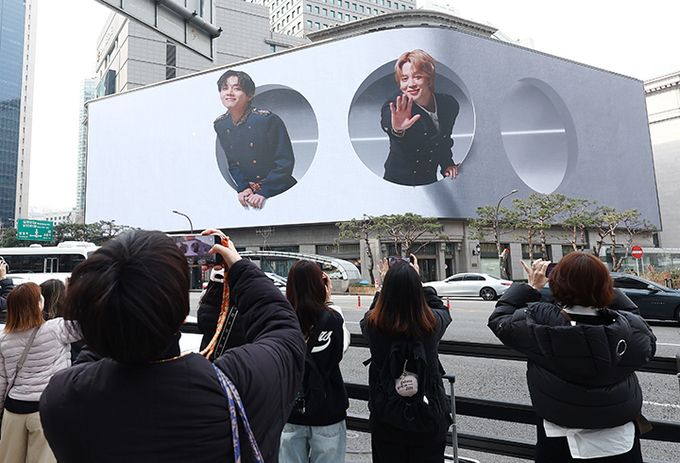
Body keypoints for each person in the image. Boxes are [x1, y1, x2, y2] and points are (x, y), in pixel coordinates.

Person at [39, 229, 306, 463]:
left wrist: (112, 312)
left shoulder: (62, 398)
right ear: (181, 314)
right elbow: (283, 331)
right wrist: (239, 268)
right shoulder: (234, 388)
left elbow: (94, 351)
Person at [488, 252, 657, 463]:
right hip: (620, 440)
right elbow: (640, 328)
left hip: (558, 438)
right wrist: (596, 285)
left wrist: (531, 288)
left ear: (557, 285)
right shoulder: (630, 328)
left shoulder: (538, 323)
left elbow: (500, 320)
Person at [360, 256, 452, 463]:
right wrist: (420, 284)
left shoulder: (373, 326)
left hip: (387, 417)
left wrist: (383, 288)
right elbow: (443, 310)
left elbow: (370, 313)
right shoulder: (432, 324)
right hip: (428, 416)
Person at [0, 282, 81, 463]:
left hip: (13, 410)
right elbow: (91, 327)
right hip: (45, 409)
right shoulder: (56, 329)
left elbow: (1, 380)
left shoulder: (3, 339)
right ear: (38, 305)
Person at [279, 260, 349, 463]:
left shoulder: (281, 319)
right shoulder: (332, 319)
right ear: (321, 284)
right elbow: (341, 350)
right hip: (328, 408)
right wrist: (329, 303)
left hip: (290, 408)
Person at [214, 70, 297, 209]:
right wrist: (243, 187)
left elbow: (284, 162)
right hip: (250, 195)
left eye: (236, 89)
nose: (229, 93)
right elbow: (233, 163)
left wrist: (265, 191)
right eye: (224, 88)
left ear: (249, 95)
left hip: (280, 190)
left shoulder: (266, 120)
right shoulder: (221, 125)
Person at [381, 49, 460, 186]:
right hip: (397, 183)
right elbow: (388, 121)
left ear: (429, 79)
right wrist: (397, 129)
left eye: (417, 77)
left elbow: (443, 141)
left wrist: (447, 165)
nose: (411, 84)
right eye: (405, 79)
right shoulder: (396, 105)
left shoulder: (448, 104)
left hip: (429, 181)